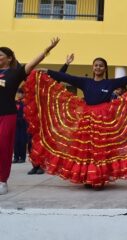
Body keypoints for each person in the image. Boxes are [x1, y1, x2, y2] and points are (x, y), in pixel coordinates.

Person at [24, 57, 127, 187]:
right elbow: (66, 77)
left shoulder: (110, 83)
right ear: (92, 67)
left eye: (101, 65)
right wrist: (47, 71)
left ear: (105, 68)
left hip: (104, 123)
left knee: (102, 152)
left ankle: (100, 177)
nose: (98, 67)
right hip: (86, 122)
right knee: (87, 152)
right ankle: (88, 178)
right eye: (96, 65)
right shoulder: (85, 82)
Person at [0, 37, 60, 195]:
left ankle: (2, 181)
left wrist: (48, 49)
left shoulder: (15, 73)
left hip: (7, 114)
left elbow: (32, 63)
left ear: (9, 58)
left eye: (0, 55)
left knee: (4, 147)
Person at [27, 54, 74, 175]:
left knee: (44, 143)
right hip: (34, 120)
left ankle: (41, 165)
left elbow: (57, 77)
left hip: (46, 120)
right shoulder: (32, 87)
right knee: (32, 143)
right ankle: (34, 165)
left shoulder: (47, 87)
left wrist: (66, 64)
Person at [13, 88, 28, 164]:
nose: (19, 94)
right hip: (16, 123)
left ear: (23, 94)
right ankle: (16, 157)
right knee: (16, 140)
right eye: (18, 93)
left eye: (20, 93)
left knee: (22, 141)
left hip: (23, 123)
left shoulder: (25, 102)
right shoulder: (15, 102)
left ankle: (22, 157)